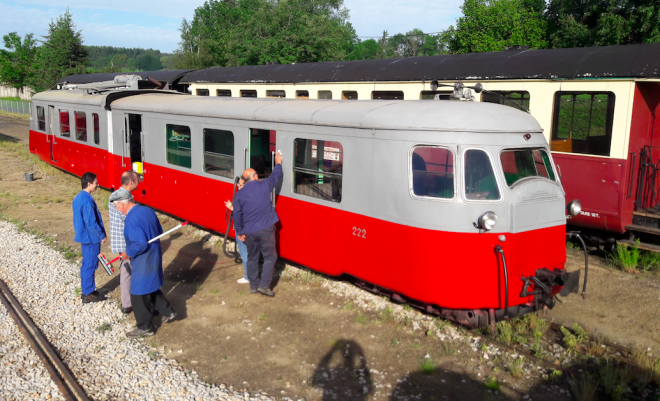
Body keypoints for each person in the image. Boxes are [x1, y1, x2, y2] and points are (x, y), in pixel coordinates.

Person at [113, 194, 176, 337]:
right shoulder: (147, 210)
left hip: (143, 258)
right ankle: (167, 311)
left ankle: (145, 327)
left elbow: (139, 244)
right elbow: (159, 231)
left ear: (122, 204)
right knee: (151, 285)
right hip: (155, 253)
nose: (117, 210)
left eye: (116, 206)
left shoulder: (131, 219)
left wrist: (127, 253)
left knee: (137, 292)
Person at [232, 151, 283, 297]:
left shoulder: (239, 194)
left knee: (252, 258)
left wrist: (240, 232)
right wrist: (278, 162)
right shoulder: (264, 185)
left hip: (249, 232)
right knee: (269, 257)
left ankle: (253, 286)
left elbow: (237, 214)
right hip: (266, 229)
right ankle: (264, 286)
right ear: (255, 177)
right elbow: (275, 176)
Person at [72, 172, 107, 303]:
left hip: (84, 236)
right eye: (96, 183)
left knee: (87, 263)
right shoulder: (87, 200)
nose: (98, 185)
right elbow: (91, 223)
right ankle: (88, 293)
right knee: (90, 264)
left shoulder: (78, 198)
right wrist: (101, 235)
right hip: (90, 238)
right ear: (89, 184)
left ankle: (87, 289)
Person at [108, 171, 140, 314]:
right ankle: (128, 303)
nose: (139, 182)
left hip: (120, 240)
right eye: (137, 179)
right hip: (126, 241)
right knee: (129, 271)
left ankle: (127, 302)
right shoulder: (121, 198)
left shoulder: (114, 195)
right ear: (131, 182)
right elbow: (127, 218)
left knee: (127, 271)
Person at [224, 178, 250, 284]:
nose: (238, 187)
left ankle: (248, 277)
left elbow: (241, 214)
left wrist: (232, 208)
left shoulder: (242, 197)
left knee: (244, 253)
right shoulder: (254, 195)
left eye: (241, 185)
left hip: (243, 229)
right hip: (253, 228)